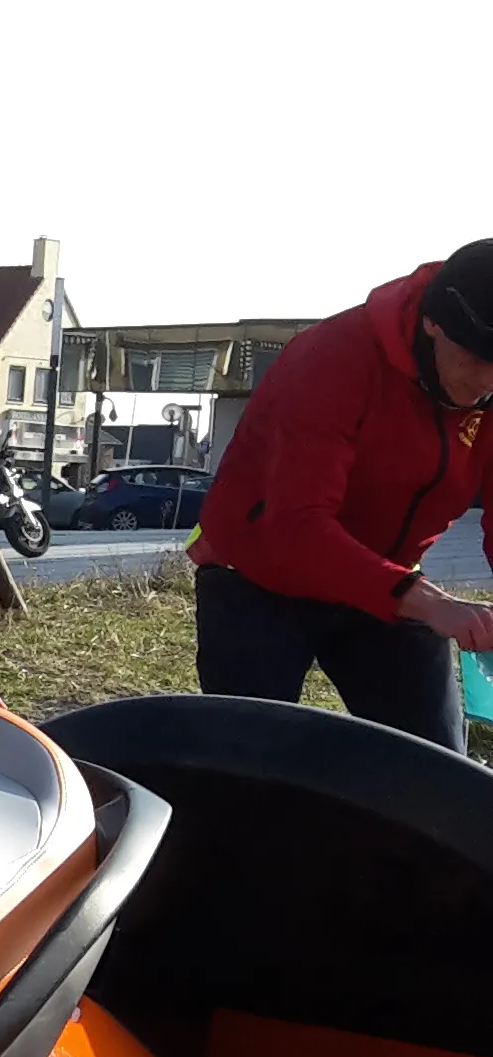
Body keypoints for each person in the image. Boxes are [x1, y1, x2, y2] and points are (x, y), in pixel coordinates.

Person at [186, 242, 493, 748]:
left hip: (388, 584)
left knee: (436, 768)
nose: (485, 382)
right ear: (434, 324)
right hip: (260, 576)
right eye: (476, 358)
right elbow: (298, 525)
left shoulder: (490, 388)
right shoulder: (334, 357)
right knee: (249, 766)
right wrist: (429, 602)